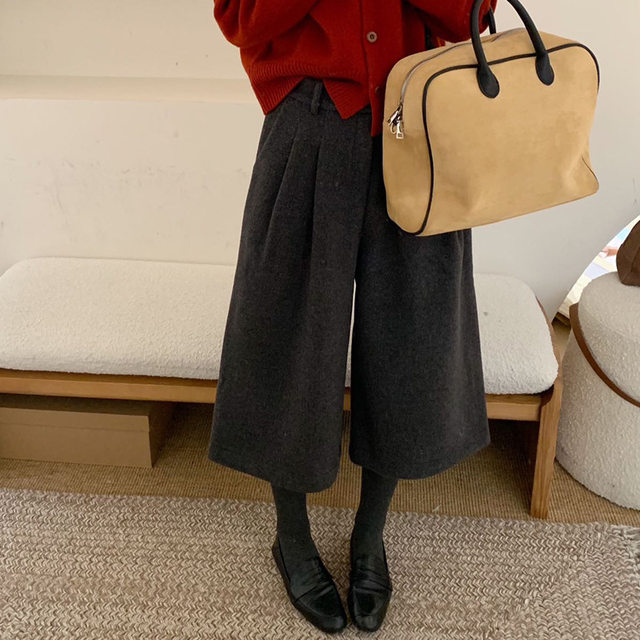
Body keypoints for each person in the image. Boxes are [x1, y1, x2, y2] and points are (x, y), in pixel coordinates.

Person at [208, 0, 497, 633]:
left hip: (422, 128)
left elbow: (474, 15)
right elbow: (240, 19)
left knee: (413, 335)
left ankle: (370, 536)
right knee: (287, 335)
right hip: (309, 123)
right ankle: (291, 537)